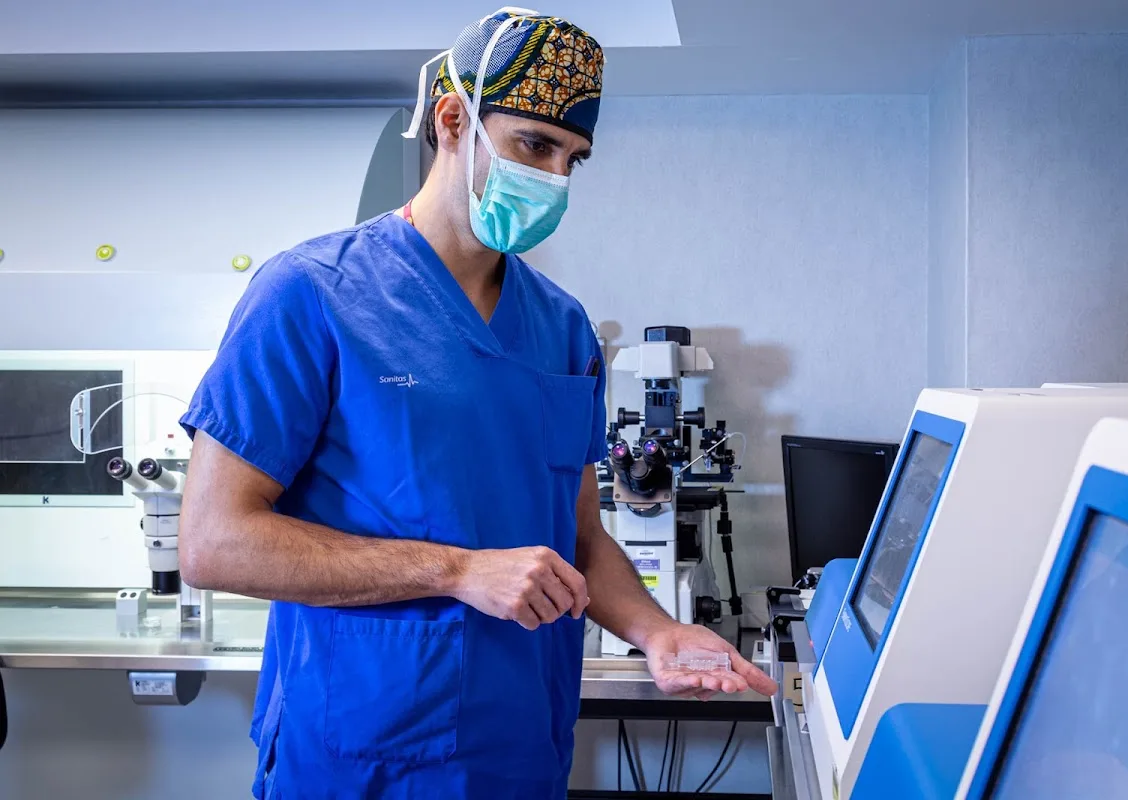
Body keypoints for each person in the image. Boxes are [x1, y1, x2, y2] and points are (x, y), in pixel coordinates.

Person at [177, 8, 776, 799]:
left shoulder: (562, 328)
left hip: (521, 751)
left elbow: (579, 535)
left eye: (573, 159)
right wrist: (457, 571)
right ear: (452, 121)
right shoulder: (311, 295)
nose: (555, 179)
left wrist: (657, 631)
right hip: (362, 757)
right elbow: (215, 542)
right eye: (534, 146)